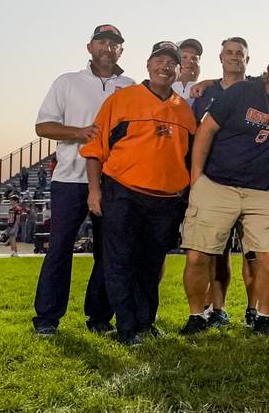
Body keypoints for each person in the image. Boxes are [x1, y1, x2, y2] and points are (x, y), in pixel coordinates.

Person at [180, 52, 269, 337]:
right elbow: (205, 131)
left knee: (267, 257)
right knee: (198, 255)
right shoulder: (242, 92)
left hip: (263, 192)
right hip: (217, 185)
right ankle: (195, 316)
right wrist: (197, 179)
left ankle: (263, 318)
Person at [80, 41, 196, 345]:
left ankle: (145, 322)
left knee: (150, 263)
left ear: (178, 69)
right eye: (159, 60)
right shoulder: (122, 100)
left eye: (171, 63)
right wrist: (94, 190)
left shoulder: (184, 110)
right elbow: (95, 150)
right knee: (120, 260)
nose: (165, 67)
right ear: (148, 64)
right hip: (124, 192)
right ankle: (127, 327)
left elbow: (190, 158)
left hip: (166, 201)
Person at [32, 24, 135, 337]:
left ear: (121, 49)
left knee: (108, 252)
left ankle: (99, 318)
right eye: (101, 42)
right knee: (60, 248)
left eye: (114, 43)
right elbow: (43, 126)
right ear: (90, 47)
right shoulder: (67, 82)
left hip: (113, 180)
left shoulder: (130, 86)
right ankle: (47, 319)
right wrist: (79, 132)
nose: (107, 48)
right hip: (70, 179)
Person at [190, 36, 255, 328]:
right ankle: (216, 308)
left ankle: (253, 310)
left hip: (252, 179)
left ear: (247, 59)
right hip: (214, 180)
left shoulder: (257, 90)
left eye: (239, 53)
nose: (234, 57)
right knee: (215, 250)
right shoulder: (205, 93)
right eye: (229, 52)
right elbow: (195, 133)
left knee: (253, 251)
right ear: (220, 58)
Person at [171, 38, 202, 105]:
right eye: (184, 57)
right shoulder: (162, 91)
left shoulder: (204, 92)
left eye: (194, 58)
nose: (190, 61)